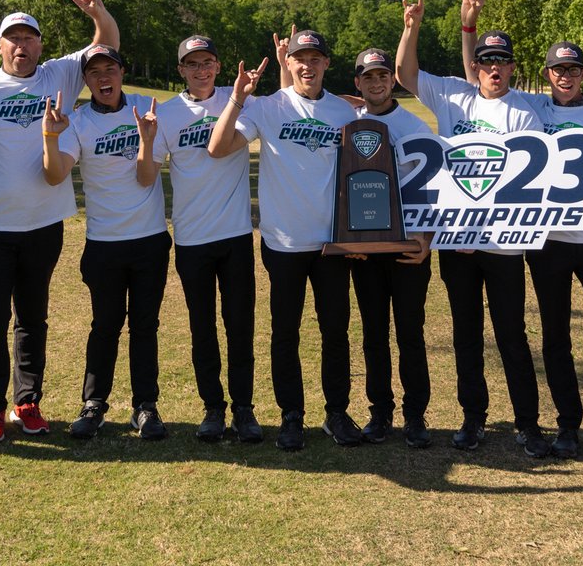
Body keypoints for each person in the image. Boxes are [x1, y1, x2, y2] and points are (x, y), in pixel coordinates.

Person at [466, 34, 583, 469]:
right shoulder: (534, 108)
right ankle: (568, 426)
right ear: (546, 74)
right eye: (558, 69)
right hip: (547, 244)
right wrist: (468, 24)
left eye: (574, 69)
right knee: (555, 340)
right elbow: (480, 79)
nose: (566, 76)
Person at [0, 0, 119, 441]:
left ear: (40, 46)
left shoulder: (59, 75)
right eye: (13, 38)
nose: (21, 46)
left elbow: (107, 45)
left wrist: (98, 13)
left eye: (29, 38)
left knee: (33, 319)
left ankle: (27, 402)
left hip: (44, 224)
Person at [397, 0, 551, 457]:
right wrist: (412, 27)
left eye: (502, 61)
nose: (494, 69)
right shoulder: (453, 95)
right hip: (457, 240)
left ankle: (528, 424)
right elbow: (405, 74)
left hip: (502, 242)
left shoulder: (525, 111)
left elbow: (524, 181)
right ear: (476, 65)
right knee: (466, 334)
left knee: (511, 334)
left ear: (512, 67)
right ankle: (473, 418)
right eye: (486, 61)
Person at [207, 30, 359, 450]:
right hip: (284, 242)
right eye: (299, 58)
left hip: (331, 243)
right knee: (285, 333)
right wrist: (238, 99)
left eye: (315, 58)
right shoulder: (267, 107)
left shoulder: (343, 112)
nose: (308, 65)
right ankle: (291, 415)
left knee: (335, 331)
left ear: (327, 63)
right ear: (287, 63)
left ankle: (337, 413)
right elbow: (218, 148)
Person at [40, 45, 171, 441]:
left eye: (109, 69)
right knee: (105, 325)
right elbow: (55, 175)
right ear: (86, 80)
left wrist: (146, 139)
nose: (102, 77)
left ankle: (145, 406)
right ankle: (94, 404)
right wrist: (50, 136)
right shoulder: (78, 122)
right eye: (93, 72)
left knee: (145, 325)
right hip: (103, 243)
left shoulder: (147, 110)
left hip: (149, 239)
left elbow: (146, 178)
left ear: (121, 72)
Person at [151, 36, 263, 443]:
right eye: (193, 64)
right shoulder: (167, 113)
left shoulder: (242, 99)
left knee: (240, 326)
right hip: (192, 238)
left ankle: (244, 409)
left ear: (218, 65)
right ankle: (213, 408)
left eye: (208, 62)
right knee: (203, 328)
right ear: (181, 69)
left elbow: (291, 103)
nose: (201, 70)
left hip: (235, 235)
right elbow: (148, 169)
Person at [347, 47, 435, 448]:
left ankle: (415, 415)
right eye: (368, 77)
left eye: (383, 75)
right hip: (366, 248)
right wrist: (349, 238)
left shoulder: (415, 127)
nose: (377, 82)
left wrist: (427, 240)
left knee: (410, 332)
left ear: (392, 80)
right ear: (358, 83)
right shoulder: (350, 123)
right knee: (373, 333)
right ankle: (380, 412)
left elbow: (435, 187)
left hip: (408, 246)